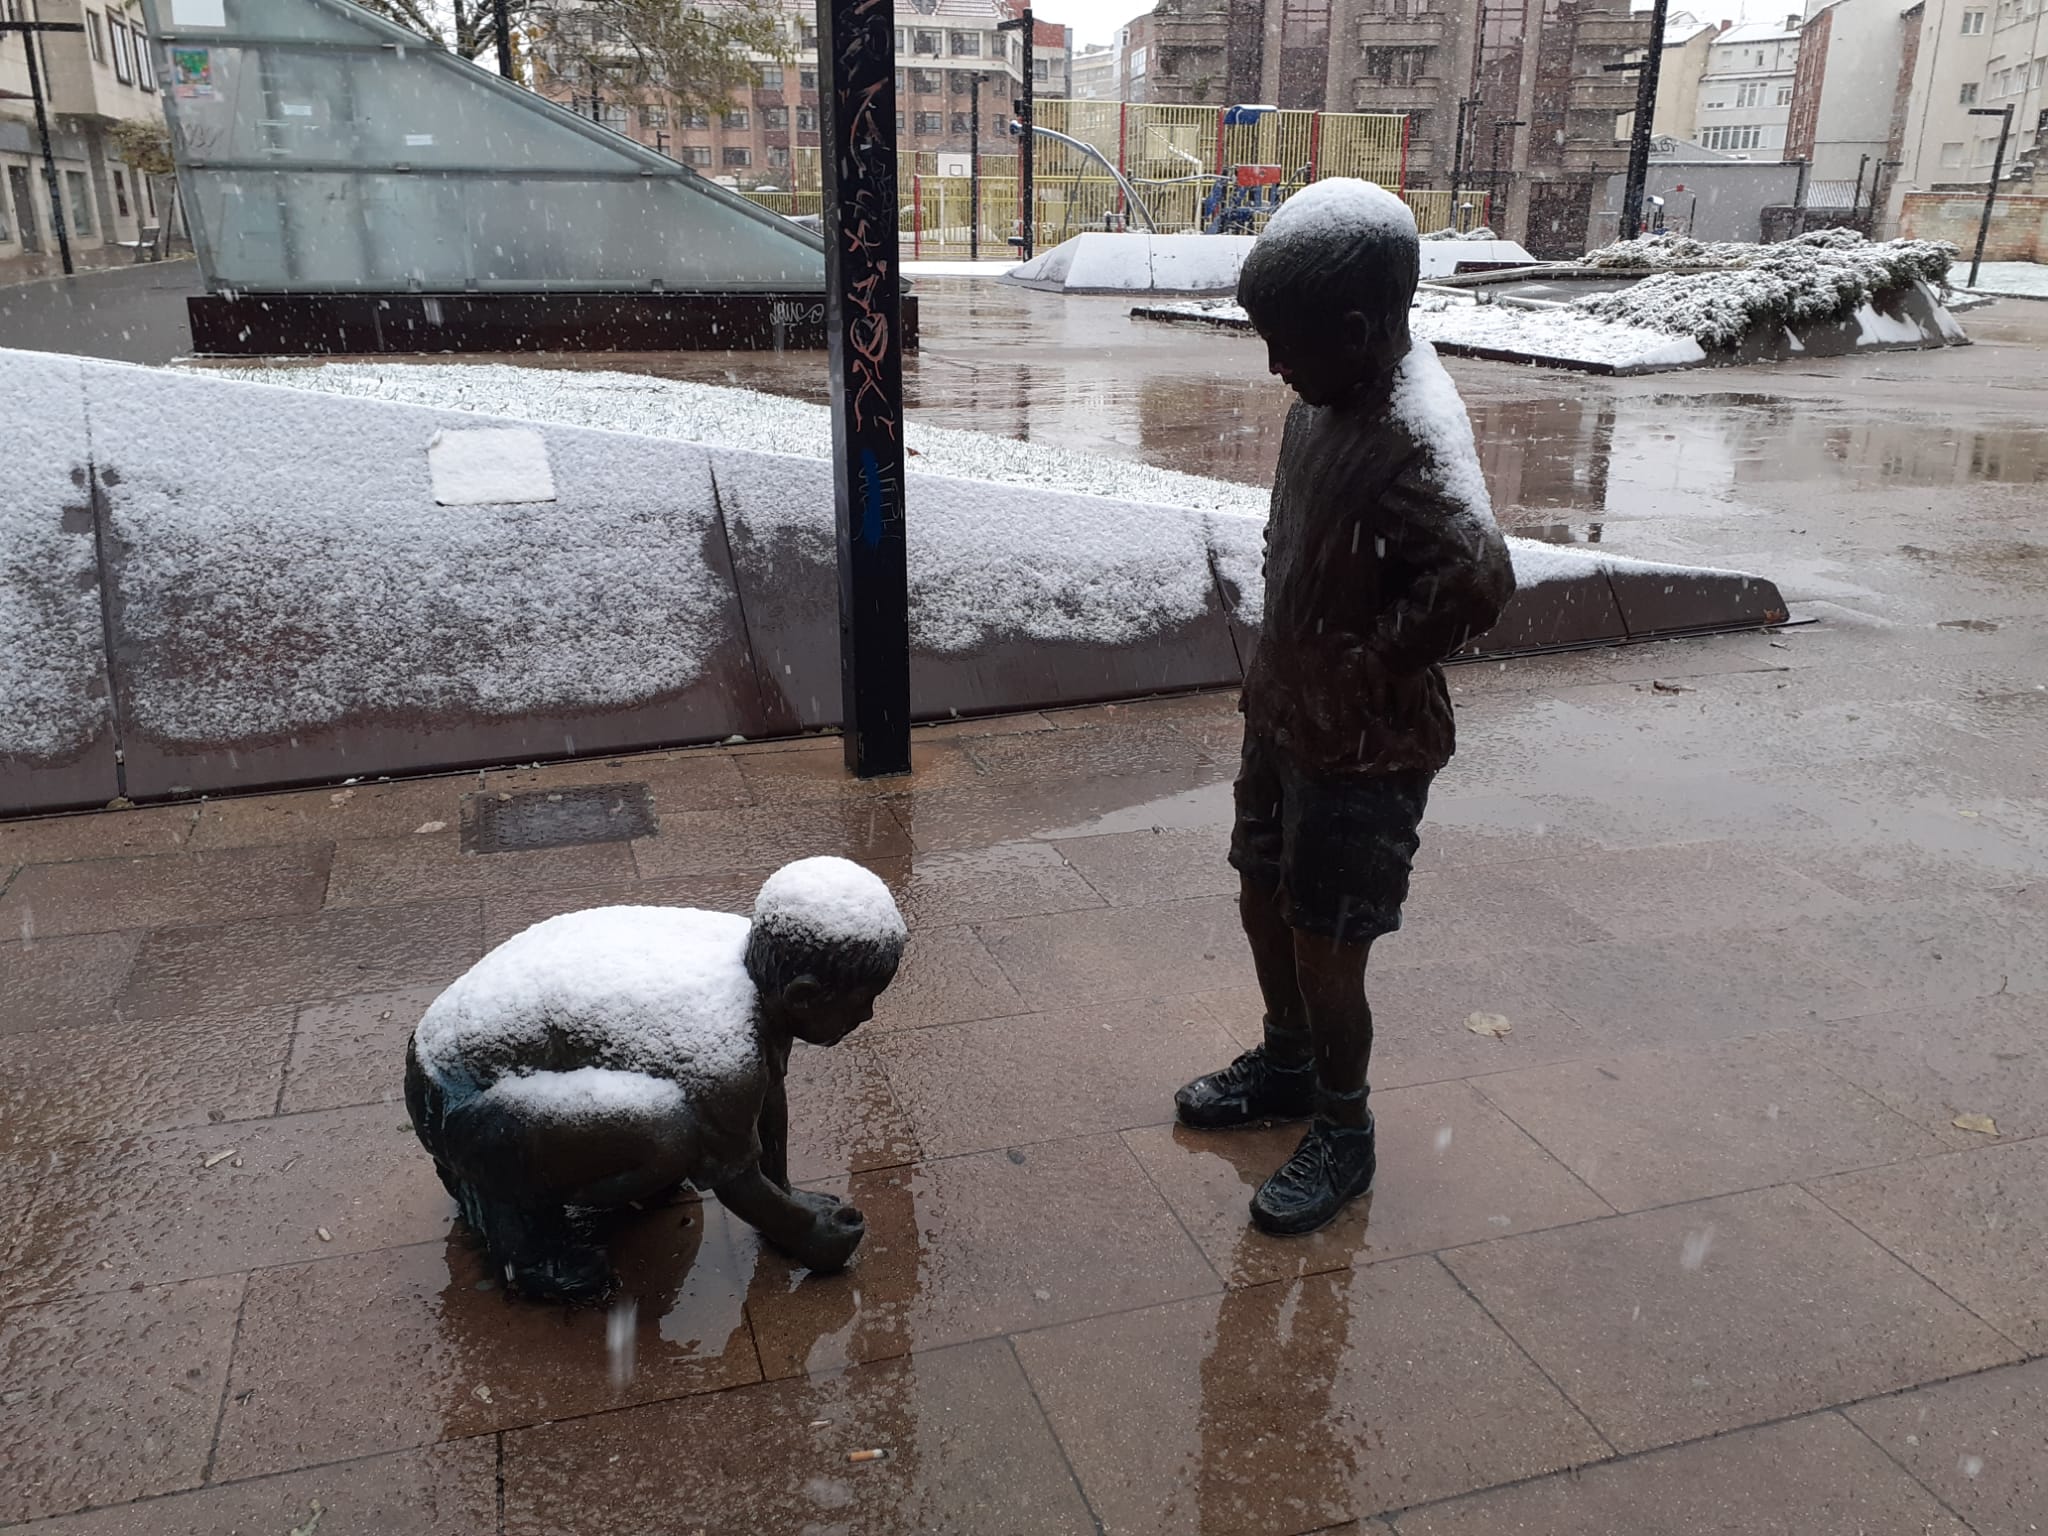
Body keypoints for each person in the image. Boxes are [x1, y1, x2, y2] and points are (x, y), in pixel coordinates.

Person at [1175, 178, 1516, 1236]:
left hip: (1361, 752)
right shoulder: (1324, 404)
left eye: (1287, 344)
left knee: (1328, 942)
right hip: (1284, 714)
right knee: (1261, 891)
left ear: (1360, 330)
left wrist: (1376, 662)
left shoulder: (1411, 433)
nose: (1274, 365)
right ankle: (1284, 1063)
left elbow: (1476, 572)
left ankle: (1343, 1126)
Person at [404, 855, 907, 1302]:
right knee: (670, 1134)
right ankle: (525, 1242)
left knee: (683, 1124)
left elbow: (765, 1091)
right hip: (459, 1101)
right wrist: (806, 1235)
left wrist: (785, 1193)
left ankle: (520, 1170)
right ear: (803, 995)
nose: (867, 1015)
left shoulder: (755, 961)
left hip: (459, 1064)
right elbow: (733, 1176)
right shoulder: (723, 1049)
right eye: (862, 1000)